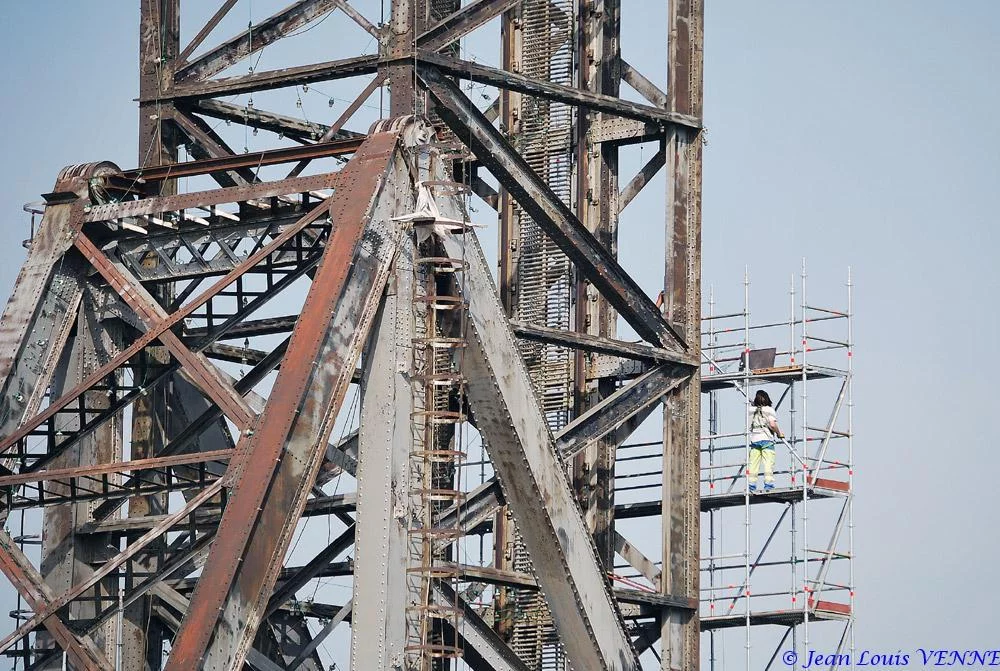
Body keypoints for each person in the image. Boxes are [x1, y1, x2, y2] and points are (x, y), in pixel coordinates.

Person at [748, 390, 784, 493]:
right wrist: (778, 433)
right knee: (768, 464)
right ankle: (768, 486)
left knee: (753, 465)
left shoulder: (750, 410)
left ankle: (751, 486)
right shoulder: (769, 410)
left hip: (754, 440)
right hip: (767, 439)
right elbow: (772, 425)